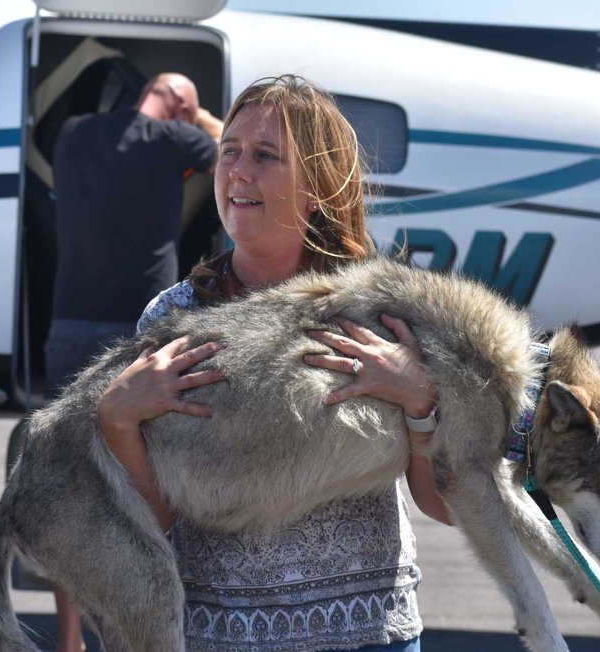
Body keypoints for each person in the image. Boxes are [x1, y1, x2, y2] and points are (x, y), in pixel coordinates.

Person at [96, 74, 451, 651]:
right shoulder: (170, 319)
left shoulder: (380, 311)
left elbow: (444, 505)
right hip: (219, 637)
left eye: (266, 156)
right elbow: (153, 523)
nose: (238, 171)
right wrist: (118, 419)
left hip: (365, 636)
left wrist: (420, 399)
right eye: (229, 151)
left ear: (318, 187)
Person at [46, 72, 224, 652]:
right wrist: (197, 120)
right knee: (135, 493)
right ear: (177, 104)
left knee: (72, 489)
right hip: (135, 336)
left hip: (68, 326)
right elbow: (236, 154)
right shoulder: (177, 142)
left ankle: (70, 641)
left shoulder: (73, 134)